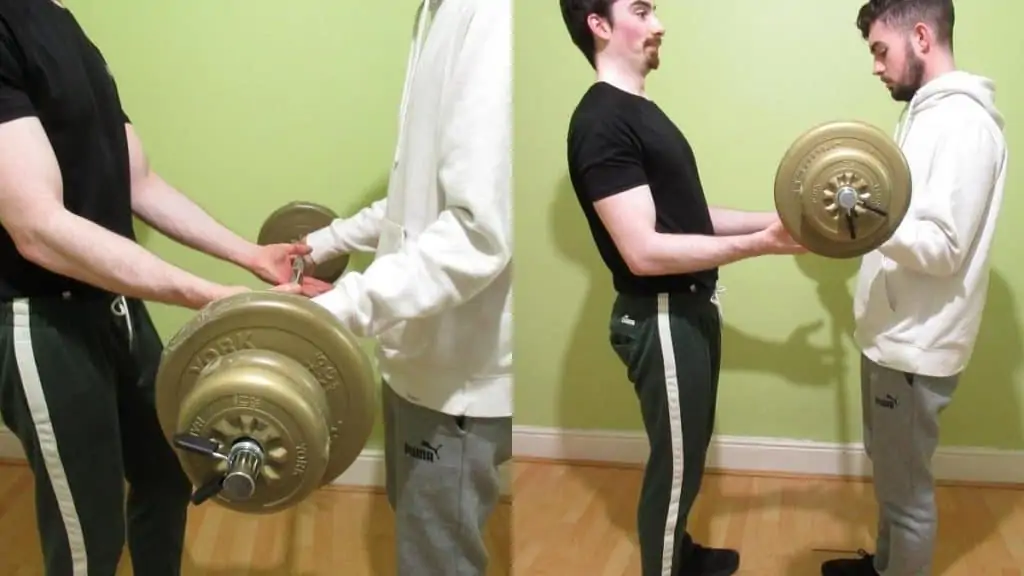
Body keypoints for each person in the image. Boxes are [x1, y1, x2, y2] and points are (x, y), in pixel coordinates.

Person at [0, 2, 324, 575]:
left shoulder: (62, 22)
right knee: (88, 539)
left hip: (113, 306)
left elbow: (137, 180)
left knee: (170, 469)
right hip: (41, 316)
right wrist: (210, 297)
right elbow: (37, 228)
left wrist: (250, 256)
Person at [558, 1, 808, 575]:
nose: (659, 24)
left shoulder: (640, 112)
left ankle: (683, 554)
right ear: (599, 25)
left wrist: (776, 222)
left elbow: (686, 218)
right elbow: (643, 252)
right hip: (662, 313)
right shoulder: (600, 122)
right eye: (641, 10)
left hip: (688, 309)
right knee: (674, 467)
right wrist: (760, 246)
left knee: (688, 456)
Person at [298, 0, 513, 574]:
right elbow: (414, 197)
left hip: (458, 373)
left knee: (436, 561)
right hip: (414, 355)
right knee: (420, 537)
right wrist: (323, 243)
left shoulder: (492, 16)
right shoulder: (434, 12)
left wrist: (336, 311)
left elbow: (477, 233)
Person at [821, 1, 1008, 575]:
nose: (876, 67)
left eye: (880, 49)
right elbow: (910, 220)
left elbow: (944, 248)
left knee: (907, 499)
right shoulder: (927, 115)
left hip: (915, 346)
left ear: (921, 36)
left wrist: (863, 216)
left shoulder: (964, 124)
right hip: (892, 337)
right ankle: (882, 567)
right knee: (891, 475)